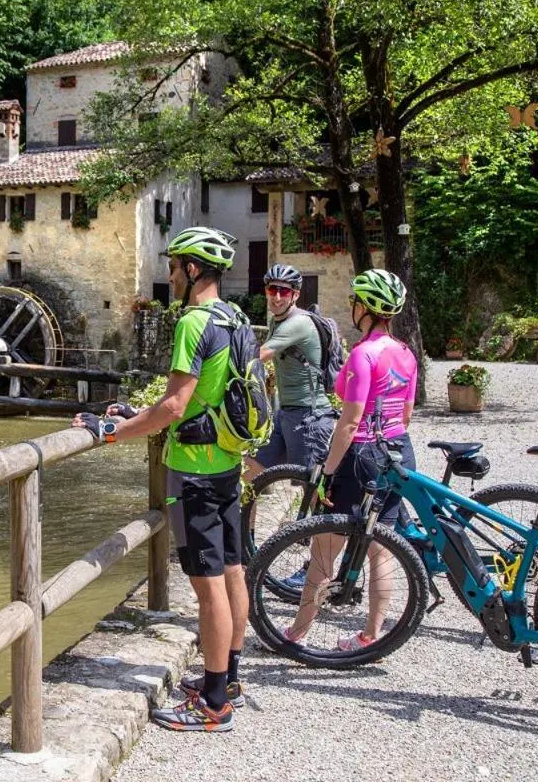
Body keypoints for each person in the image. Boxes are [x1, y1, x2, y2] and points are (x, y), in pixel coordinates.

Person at [72, 226, 248, 732]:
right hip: (227, 463)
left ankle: (214, 704)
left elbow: (174, 405)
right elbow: (204, 396)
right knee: (232, 571)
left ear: (193, 270)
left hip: (193, 472)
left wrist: (111, 431)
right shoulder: (235, 318)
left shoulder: (194, 322)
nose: (168, 276)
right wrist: (138, 413)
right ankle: (228, 677)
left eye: (173, 267)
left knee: (207, 584)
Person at [284, 269, 417, 650]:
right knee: (381, 549)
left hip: (360, 455)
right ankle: (369, 637)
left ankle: (296, 634)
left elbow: (349, 422)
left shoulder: (363, 355)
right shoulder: (405, 353)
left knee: (325, 546)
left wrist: (325, 473)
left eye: (355, 301)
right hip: (397, 450)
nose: (351, 306)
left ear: (365, 308)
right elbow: (405, 415)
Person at [247, 263, 336, 477]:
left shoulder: (298, 323)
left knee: (310, 487)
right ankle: (244, 510)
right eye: (272, 290)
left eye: (284, 291)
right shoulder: (276, 321)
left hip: (309, 416)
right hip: (285, 412)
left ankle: (320, 512)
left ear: (295, 295)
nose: (277, 297)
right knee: (251, 468)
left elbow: (258, 356)